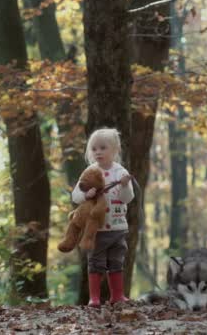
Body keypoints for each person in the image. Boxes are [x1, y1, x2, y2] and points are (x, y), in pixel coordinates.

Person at [71, 128, 134, 307]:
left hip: (117, 227)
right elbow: (75, 196)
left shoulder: (120, 172)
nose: (98, 152)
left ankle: (117, 296)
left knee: (116, 261)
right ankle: (95, 297)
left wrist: (124, 186)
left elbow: (127, 198)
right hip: (97, 229)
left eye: (103, 148)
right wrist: (86, 195)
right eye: (94, 149)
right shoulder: (89, 172)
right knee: (95, 262)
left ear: (115, 150)